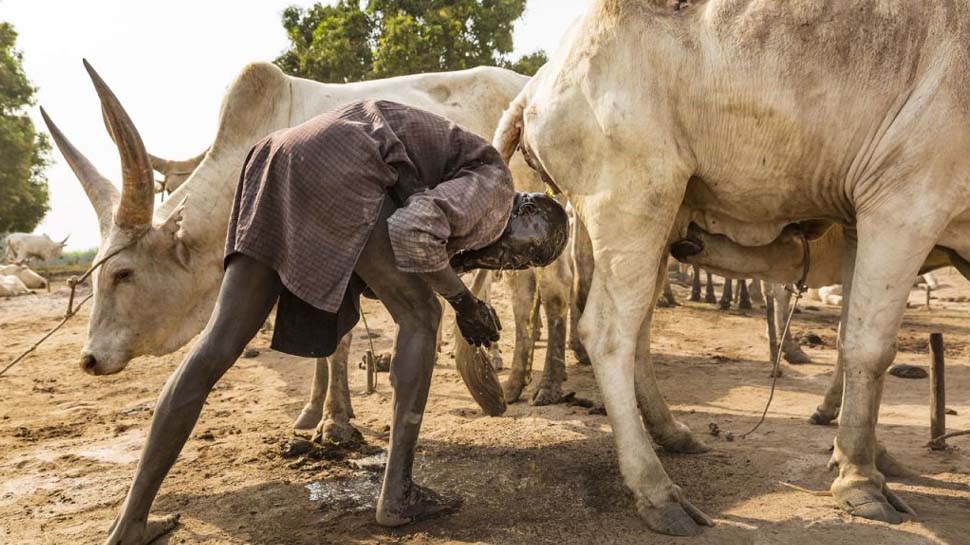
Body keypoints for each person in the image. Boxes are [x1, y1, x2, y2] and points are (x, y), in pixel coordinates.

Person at [104, 99, 569, 544]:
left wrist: (456, 288)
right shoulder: (495, 185)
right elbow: (409, 229)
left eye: (521, 266)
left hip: (275, 157)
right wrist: (465, 303)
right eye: (521, 249)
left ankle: (129, 524)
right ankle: (398, 494)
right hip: (343, 159)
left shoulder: (468, 201)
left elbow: (395, 249)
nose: (509, 262)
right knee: (422, 317)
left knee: (216, 346)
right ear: (522, 209)